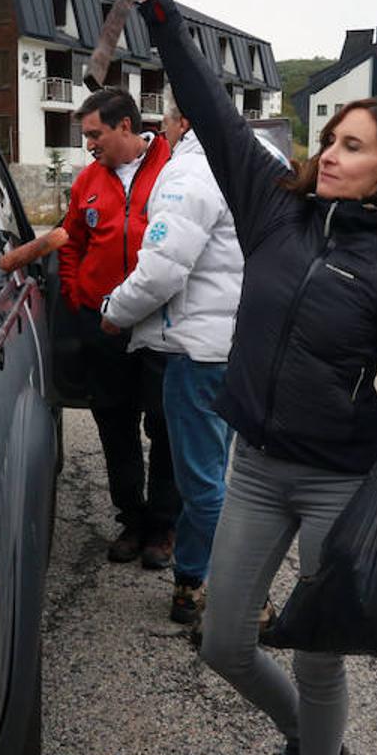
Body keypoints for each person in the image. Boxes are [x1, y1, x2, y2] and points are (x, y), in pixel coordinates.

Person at [137, 0, 377, 755]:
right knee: (225, 643)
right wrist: (160, 12)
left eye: (353, 146)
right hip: (256, 468)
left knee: (318, 656)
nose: (331, 154)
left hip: (336, 485)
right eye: (331, 139)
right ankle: (311, 738)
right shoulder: (271, 209)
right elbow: (208, 107)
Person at [99, 99, 247, 625]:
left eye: (165, 121)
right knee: (220, 471)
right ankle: (224, 579)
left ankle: (201, 584)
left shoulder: (189, 171)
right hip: (239, 344)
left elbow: (162, 272)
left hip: (198, 351)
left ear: (184, 122)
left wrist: (115, 310)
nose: (160, 129)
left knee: (201, 481)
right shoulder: (249, 159)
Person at [59, 87, 180, 568]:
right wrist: (75, 293)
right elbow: (72, 241)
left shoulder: (174, 174)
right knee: (115, 423)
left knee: (167, 426)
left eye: (95, 133)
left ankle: (164, 526)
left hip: (161, 326)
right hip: (102, 325)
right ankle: (132, 518)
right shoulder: (88, 179)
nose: (89, 144)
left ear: (126, 126)